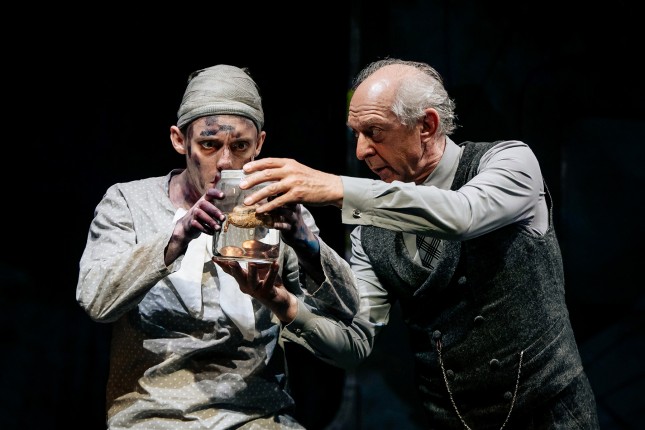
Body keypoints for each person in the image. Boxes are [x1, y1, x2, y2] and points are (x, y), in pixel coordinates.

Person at [236, 58, 601, 429]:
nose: (361, 150)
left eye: (374, 132)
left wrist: (337, 188)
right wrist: (283, 303)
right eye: (356, 134)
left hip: (548, 415)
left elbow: (463, 215)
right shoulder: (370, 231)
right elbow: (354, 345)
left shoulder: (508, 162)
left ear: (427, 125)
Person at [75, 64, 359, 429]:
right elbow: (95, 300)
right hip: (154, 414)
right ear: (180, 140)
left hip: (256, 413)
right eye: (209, 144)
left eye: (240, 146)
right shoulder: (129, 203)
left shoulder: (278, 211)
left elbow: (347, 313)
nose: (225, 162)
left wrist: (305, 242)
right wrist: (176, 238)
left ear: (259, 144)